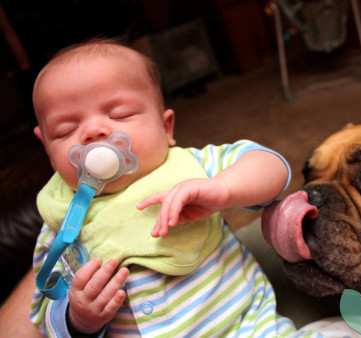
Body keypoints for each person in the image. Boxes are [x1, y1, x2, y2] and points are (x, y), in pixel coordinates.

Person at [29, 39, 313, 337]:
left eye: (121, 114)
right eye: (65, 130)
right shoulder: (59, 227)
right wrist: (79, 318)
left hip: (249, 328)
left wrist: (224, 188)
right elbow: (44, 314)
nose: (93, 132)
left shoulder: (191, 167)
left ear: (166, 127)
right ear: (46, 146)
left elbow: (273, 168)